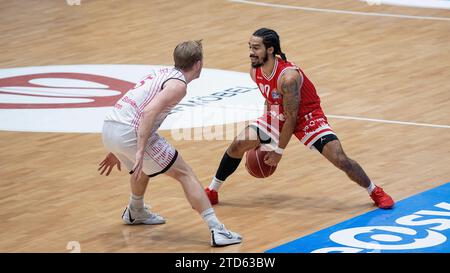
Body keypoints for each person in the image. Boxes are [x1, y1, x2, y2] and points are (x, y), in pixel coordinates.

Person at [205, 28, 395, 209]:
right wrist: (265, 129)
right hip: (278, 112)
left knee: (339, 158)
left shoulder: (288, 78)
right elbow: (270, 98)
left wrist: (278, 150)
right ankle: (212, 190)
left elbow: (292, 118)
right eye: (250, 47)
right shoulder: (255, 70)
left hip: (307, 115)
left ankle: (374, 191)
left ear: (270, 49)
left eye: (256, 48)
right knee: (239, 143)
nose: (251, 53)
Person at [98, 40, 242, 247]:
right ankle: (217, 230)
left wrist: (117, 147)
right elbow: (148, 112)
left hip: (111, 126)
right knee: (185, 174)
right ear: (198, 64)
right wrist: (138, 149)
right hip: (129, 131)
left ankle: (135, 210)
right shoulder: (178, 85)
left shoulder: (163, 73)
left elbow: (136, 103)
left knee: (145, 168)